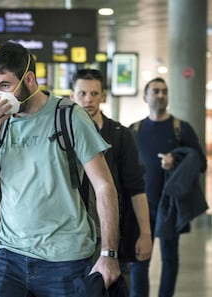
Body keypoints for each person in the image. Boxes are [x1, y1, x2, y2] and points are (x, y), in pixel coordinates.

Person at [0, 41, 120, 296]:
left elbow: (104, 186)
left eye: (5, 86)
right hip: (9, 254)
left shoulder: (69, 116)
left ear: (29, 79)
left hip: (65, 259)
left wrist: (108, 254)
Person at [71, 68, 152, 287]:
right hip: (72, 235)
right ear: (72, 96)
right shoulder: (64, 136)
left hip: (112, 233)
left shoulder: (120, 135)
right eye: (83, 93)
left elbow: (135, 187)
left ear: (103, 96)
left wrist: (145, 233)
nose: (88, 99)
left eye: (94, 93)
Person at [129, 77, 207, 297]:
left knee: (170, 258)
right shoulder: (135, 130)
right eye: (155, 91)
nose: (161, 95)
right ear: (145, 97)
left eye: (164, 91)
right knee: (139, 259)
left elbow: (200, 163)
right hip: (141, 206)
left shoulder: (181, 128)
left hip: (170, 206)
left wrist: (176, 160)